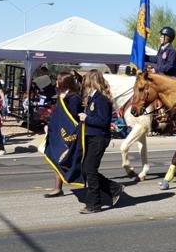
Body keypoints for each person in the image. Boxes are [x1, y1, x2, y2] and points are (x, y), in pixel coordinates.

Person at [78, 70, 123, 214]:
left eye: (86, 79)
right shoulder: (92, 98)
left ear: (92, 81)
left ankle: (94, 204)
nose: (84, 82)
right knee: (86, 169)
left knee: (90, 170)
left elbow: (104, 122)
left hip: (99, 138)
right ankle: (114, 188)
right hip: (91, 137)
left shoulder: (101, 99)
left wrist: (87, 118)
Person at [44, 74, 83, 198]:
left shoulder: (74, 97)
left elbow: (71, 117)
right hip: (58, 133)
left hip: (69, 136)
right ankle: (58, 188)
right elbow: (59, 115)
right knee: (56, 159)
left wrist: (64, 100)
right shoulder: (63, 96)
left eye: (58, 80)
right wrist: (49, 123)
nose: (56, 82)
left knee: (72, 162)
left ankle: (107, 188)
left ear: (64, 82)